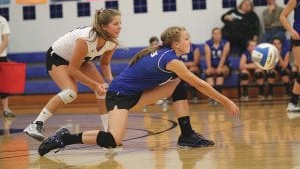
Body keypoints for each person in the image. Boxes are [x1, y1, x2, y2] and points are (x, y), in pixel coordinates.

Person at [37, 26, 240, 156]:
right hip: (118, 95)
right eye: (187, 38)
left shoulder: (165, 54)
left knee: (179, 83)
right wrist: (226, 101)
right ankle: (63, 138)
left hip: (133, 94)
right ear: (176, 44)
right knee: (112, 141)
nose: (190, 41)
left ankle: (186, 135)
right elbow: (201, 85)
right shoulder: (171, 59)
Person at [23, 9, 121, 141]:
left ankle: (109, 133)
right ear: (104, 26)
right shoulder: (85, 39)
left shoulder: (112, 41)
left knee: (103, 90)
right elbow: (73, 71)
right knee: (70, 92)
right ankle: (35, 125)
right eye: (116, 24)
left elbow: (105, 63)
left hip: (81, 60)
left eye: (120, 23)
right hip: (57, 57)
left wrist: (111, 80)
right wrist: (94, 85)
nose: (120, 27)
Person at [280, 0, 300, 111]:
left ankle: (293, 101)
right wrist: (291, 30)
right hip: (298, 36)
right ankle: (293, 102)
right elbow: (282, 16)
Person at [204, 27, 231, 104]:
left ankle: (218, 98)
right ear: (212, 35)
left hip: (224, 65)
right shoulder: (208, 43)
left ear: (221, 34)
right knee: (209, 73)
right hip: (212, 65)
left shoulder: (226, 43)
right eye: (215, 33)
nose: (217, 35)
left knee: (220, 72)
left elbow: (224, 56)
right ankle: (211, 97)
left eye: (218, 33)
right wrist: (209, 68)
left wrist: (219, 67)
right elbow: (207, 55)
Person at [142, 36, 168, 112]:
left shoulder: (161, 52)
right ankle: (146, 102)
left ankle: (162, 100)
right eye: (153, 44)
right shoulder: (146, 53)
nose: (155, 45)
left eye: (156, 44)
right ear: (150, 45)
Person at [0, 14, 15, 118]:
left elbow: (5, 40)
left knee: (3, 84)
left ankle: (5, 109)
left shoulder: (2, 20)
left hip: (1, 56)